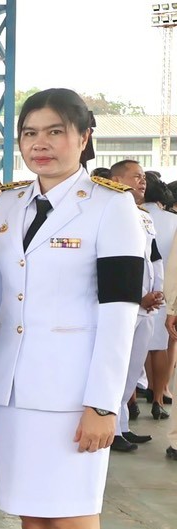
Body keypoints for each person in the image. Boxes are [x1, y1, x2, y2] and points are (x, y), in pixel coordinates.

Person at [0, 88, 143, 529]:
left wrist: (104, 402)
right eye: (30, 133)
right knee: (35, 524)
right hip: (15, 388)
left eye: (55, 132)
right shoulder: (10, 204)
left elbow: (119, 309)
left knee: (75, 525)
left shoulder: (111, 206)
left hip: (75, 394)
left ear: (83, 136)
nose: (40, 144)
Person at [107, 159, 164, 452]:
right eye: (136, 177)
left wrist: (157, 292)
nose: (142, 182)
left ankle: (123, 425)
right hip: (123, 304)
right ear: (117, 180)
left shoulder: (143, 216)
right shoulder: (108, 213)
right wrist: (136, 296)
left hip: (147, 306)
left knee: (132, 369)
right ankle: (111, 428)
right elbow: (110, 266)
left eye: (143, 177)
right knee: (115, 367)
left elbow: (154, 258)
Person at [142, 173, 177, 420]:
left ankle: (136, 396)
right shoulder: (173, 221)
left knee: (139, 347)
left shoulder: (133, 216)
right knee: (163, 346)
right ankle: (160, 395)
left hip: (140, 291)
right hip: (166, 292)